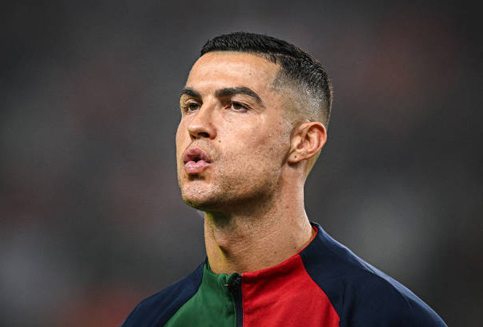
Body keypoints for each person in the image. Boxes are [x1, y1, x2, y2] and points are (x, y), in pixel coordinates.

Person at [122, 32, 446, 327]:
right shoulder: (151, 320)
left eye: (236, 106)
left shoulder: (386, 316)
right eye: (191, 105)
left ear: (303, 142)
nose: (198, 125)